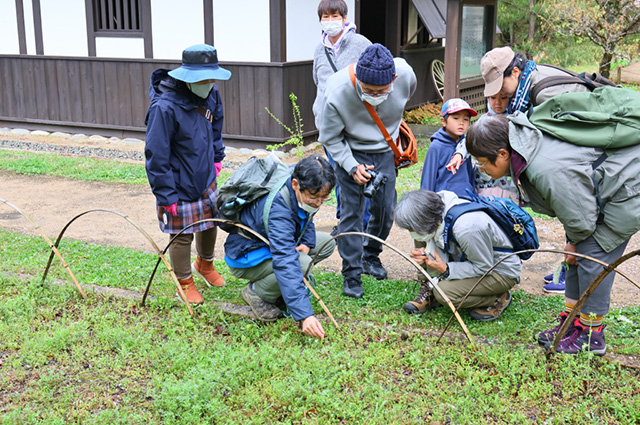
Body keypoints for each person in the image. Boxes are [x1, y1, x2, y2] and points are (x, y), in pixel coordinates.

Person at [466, 113, 640, 355]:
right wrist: (572, 243)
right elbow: (574, 206)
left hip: (627, 189)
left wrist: (575, 241)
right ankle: (571, 325)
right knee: (574, 258)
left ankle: (592, 335)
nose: (482, 169)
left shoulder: (544, 168)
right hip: (599, 194)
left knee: (592, 256)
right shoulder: (525, 151)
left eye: (483, 162)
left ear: (503, 154)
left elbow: (582, 217)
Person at [479, 45, 592, 292]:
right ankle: (569, 270)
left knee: (577, 215)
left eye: (500, 87)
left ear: (515, 72)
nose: (498, 96)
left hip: (588, 161)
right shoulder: (528, 84)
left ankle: (573, 276)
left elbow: (567, 150)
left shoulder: (545, 93)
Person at [318, 43, 417, 298]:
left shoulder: (405, 75)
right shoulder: (337, 90)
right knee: (352, 213)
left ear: (393, 80)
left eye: (381, 90)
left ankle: (370, 255)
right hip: (349, 149)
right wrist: (351, 166)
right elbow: (330, 138)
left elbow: (406, 97)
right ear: (357, 79)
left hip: (385, 150)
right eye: (367, 90)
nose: (374, 94)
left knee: (385, 210)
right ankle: (351, 273)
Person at [144, 44, 230, 304]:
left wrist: (216, 157)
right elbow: (156, 154)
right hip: (178, 183)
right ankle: (184, 282)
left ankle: (205, 265)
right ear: (186, 76)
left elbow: (216, 125)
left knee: (210, 221)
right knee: (182, 234)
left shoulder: (211, 93)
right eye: (202, 79)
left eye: (211, 77)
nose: (208, 83)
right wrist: (166, 194)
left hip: (205, 175)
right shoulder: (164, 107)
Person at [224, 155, 337, 340]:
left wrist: (307, 243)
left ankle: (282, 288)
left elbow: (306, 218)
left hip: (274, 243)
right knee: (300, 264)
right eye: (314, 198)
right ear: (295, 184)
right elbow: (285, 261)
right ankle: (257, 293)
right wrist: (305, 316)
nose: (318, 204)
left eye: (323, 199)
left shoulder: (304, 190)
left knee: (326, 243)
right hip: (247, 254)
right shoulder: (278, 208)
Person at [395, 190, 522, 320]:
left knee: (444, 293)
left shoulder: (466, 228)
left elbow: (483, 267)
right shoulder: (434, 210)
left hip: (497, 270)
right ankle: (429, 286)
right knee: (421, 235)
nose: (411, 234)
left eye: (411, 229)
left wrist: (446, 269)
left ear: (430, 220)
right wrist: (423, 253)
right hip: (467, 258)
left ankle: (497, 298)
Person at [312, 0, 372, 233]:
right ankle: (344, 221)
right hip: (328, 124)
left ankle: (363, 225)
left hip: (355, 124)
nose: (329, 21)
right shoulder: (319, 49)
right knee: (338, 173)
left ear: (344, 18)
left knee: (358, 172)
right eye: (324, 17)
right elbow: (317, 81)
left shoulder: (361, 44)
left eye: (334, 16)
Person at [420, 98, 477, 197]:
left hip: (466, 199)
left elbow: (469, 174)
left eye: (466, 119)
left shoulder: (465, 144)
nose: (461, 123)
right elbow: (428, 179)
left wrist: (474, 194)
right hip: (445, 202)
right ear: (443, 121)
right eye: (456, 118)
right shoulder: (436, 146)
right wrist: (426, 204)